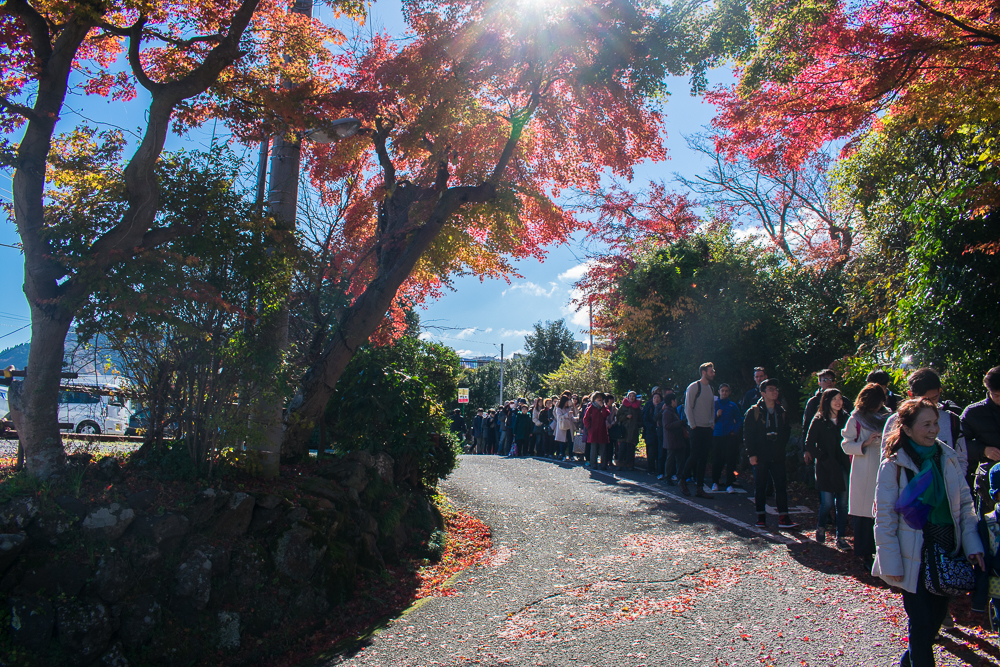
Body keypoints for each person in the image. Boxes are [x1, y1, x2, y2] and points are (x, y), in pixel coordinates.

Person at [873, 398, 984, 667]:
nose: (934, 430)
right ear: (908, 429)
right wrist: (891, 563)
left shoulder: (947, 457)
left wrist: (973, 545)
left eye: (935, 423)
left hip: (946, 550)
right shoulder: (895, 465)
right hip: (914, 557)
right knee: (921, 625)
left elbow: (965, 506)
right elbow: (884, 519)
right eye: (926, 424)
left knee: (932, 624)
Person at [842, 382, 892, 567]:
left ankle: (882, 550)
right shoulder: (856, 418)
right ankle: (865, 554)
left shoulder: (888, 416)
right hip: (863, 467)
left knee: (882, 511)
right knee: (863, 513)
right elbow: (846, 444)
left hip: (884, 466)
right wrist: (864, 443)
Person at [884, 368, 968, 475]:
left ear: (940, 391)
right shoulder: (896, 421)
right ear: (910, 395)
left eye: (934, 398)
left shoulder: (953, 420)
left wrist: (956, 485)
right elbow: (886, 461)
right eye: (924, 400)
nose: (930, 404)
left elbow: (961, 459)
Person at [745, 378, 799, 530]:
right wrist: (751, 454)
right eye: (770, 389)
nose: (775, 392)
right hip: (760, 455)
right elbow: (748, 434)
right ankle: (760, 517)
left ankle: (784, 517)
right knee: (760, 486)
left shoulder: (781, 411)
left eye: (776, 389)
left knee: (781, 486)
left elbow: (786, 430)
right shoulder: (754, 411)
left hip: (777, 454)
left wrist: (781, 444)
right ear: (763, 393)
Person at [804, 388, 851, 547]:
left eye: (840, 398)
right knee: (828, 503)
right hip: (826, 467)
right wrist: (822, 457)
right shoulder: (819, 420)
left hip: (843, 465)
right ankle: (821, 526)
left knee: (843, 504)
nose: (838, 402)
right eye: (834, 399)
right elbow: (809, 443)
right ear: (827, 401)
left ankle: (841, 537)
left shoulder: (846, 418)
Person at [962, 367, 1000, 513]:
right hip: (989, 482)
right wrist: (983, 450)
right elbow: (959, 444)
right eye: (997, 395)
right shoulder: (973, 413)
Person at [681, 362, 717, 499]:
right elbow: (688, 407)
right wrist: (693, 425)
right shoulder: (694, 386)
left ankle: (700, 488)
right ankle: (683, 480)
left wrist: (712, 423)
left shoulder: (711, 389)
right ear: (704, 372)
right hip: (696, 428)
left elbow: (712, 407)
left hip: (707, 428)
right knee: (694, 455)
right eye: (711, 371)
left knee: (703, 457)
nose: (713, 373)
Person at [711, 383, 743, 493]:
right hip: (717, 435)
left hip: (729, 436)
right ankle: (715, 481)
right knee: (717, 459)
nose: (724, 393)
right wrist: (717, 415)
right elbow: (709, 420)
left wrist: (734, 431)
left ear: (729, 392)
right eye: (722, 390)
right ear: (719, 392)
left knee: (730, 460)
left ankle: (730, 483)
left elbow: (739, 420)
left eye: (726, 391)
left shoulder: (733, 406)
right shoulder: (714, 405)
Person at [660, 391, 685, 483]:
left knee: (679, 459)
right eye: (675, 400)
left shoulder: (673, 411)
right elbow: (667, 425)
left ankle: (679, 476)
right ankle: (668, 477)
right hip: (671, 439)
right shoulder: (667, 412)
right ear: (672, 401)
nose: (676, 402)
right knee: (670, 459)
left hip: (677, 439)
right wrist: (680, 422)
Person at [584, 391, 611, 470]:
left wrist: (602, 407)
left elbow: (606, 414)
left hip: (602, 431)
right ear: (594, 399)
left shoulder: (604, 407)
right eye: (598, 398)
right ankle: (593, 464)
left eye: (601, 398)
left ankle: (603, 464)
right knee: (594, 449)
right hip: (593, 431)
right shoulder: (591, 407)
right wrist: (589, 428)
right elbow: (585, 419)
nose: (599, 399)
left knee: (603, 449)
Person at [616, 391, 643, 471]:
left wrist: (637, 425)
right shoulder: (623, 407)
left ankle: (630, 465)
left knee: (631, 449)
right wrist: (626, 417)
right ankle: (620, 464)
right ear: (627, 397)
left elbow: (641, 420)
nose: (632, 397)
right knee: (622, 448)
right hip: (624, 430)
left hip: (633, 431)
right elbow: (618, 417)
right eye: (630, 396)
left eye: (633, 396)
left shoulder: (637, 408)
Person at [642, 387, 663, 475]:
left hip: (660, 432)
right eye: (655, 397)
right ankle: (650, 468)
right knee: (651, 451)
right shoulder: (649, 405)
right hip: (650, 432)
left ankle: (659, 469)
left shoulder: (663, 406)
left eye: (658, 397)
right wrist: (652, 427)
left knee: (660, 451)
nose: (656, 399)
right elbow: (645, 419)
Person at [554, 395, 575, 460]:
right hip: (562, 427)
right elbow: (559, 417)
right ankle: (563, 455)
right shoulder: (558, 409)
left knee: (570, 441)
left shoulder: (568, 408)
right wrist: (567, 414)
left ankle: (571, 455)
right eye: (566, 402)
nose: (567, 403)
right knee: (562, 442)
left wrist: (576, 419)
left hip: (569, 426)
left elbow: (571, 417)